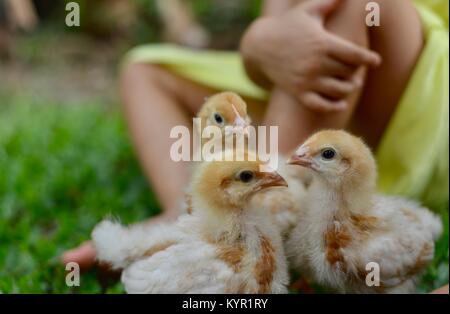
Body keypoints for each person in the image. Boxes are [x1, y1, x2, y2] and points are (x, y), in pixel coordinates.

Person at [62, 0, 448, 293]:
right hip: (301, 98)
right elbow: (278, 27)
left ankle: (267, 200)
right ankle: (188, 211)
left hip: (419, 87)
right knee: (144, 72)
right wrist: (258, 46)